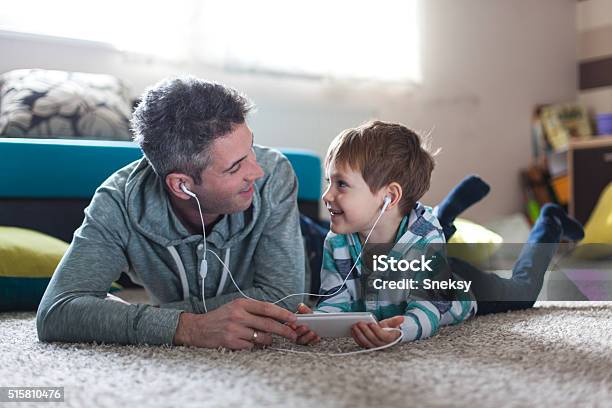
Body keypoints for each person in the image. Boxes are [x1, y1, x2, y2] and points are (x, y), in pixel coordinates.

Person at [36, 76, 304, 350]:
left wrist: (162, 311)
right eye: (235, 168)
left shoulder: (273, 175)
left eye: (251, 149)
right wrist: (188, 327)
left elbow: (285, 297)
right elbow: (55, 312)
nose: (256, 172)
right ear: (181, 185)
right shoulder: (117, 201)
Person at [295, 120, 584, 349]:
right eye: (328, 181)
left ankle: (550, 222)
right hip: (414, 238)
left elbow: (429, 308)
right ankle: (449, 209)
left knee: (522, 293)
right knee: (424, 229)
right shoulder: (337, 239)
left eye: (341, 184)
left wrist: (403, 330)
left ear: (389, 197)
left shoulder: (425, 239)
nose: (326, 195)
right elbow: (336, 297)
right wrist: (320, 321)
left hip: (456, 288)